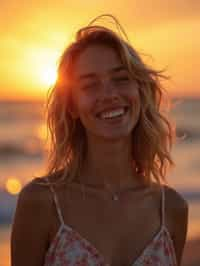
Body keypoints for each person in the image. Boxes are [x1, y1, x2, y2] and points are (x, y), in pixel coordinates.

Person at [11, 14, 188, 266]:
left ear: (140, 90)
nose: (109, 95)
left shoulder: (171, 210)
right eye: (90, 85)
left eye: (121, 79)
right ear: (72, 106)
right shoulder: (41, 202)